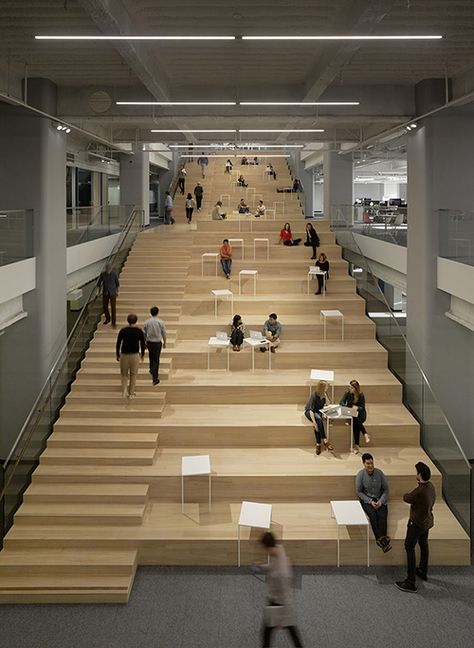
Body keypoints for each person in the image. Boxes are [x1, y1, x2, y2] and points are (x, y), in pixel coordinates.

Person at [252, 532, 304, 648]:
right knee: (289, 630)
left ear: (269, 547)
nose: (265, 552)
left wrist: (282, 616)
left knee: (268, 632)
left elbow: (285, 595)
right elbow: (272, 566)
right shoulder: (279, 549)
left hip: (279, 603)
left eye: (265, 549)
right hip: (276, 600)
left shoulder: (282, 574)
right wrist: (261, 567)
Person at [396, 462, 436, 593]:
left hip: (416, 524)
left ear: (419, 474)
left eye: (416, 472)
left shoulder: (420, 491)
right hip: (427, 522)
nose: (415, 474)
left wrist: (406, 495)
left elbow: (406, 497)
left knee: (409, 547)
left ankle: (410, 581)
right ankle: (423, 571)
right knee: (424, 545)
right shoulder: (430, 487)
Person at [356, 453, 392, 552]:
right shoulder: (360, 475)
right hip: (367, 500)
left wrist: (380, 502)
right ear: (363, 464)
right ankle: (383, 541)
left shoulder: (380, 473)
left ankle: (381, 541)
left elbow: (386, 490)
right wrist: (370, 501)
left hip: (380, 499)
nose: (370, 465)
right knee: (373, 516)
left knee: (382, 517)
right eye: (368, 463)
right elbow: (359, 492)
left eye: (371, 463)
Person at [115, 313, 145, 399]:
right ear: (136, 321)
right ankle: (131, 393)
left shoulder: (123, 330)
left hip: (124, 354)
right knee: (133, 374)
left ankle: (124, 391)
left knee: (124, 374)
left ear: (127, 321)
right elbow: (142, 344)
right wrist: (142, 354)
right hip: (135, 354)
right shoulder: (139, 331)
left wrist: (117, 354)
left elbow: (118, 343)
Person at [339, 380, 370, 454]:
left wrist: (357, 408)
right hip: (350, 413)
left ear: (356, 389)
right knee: (355, 420)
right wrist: (346, 406)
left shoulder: (361, 395)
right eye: (349, 387)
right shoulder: (347, 393)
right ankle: (364, 434)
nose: (349, 388)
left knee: (355, 422)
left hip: (360, 415)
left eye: (351, 387)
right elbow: (341, 402)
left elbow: (362, 408)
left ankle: (357, 445)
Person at [304, 381, 333, 454]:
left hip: (318, 411)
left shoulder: (324, 394)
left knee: (319, 421)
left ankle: (318, 444)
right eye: (326, 386)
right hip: (310, 412)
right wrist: (314, 423)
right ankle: (325, 440)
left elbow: (328, 403)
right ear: (322, 388)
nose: (328, 387)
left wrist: (325, 395)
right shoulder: (314, 395)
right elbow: (311, 410)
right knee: (318, 420)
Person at [143, 306, 167, 385]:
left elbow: (144, 334)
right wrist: (165, 342)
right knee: (156, 359)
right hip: (157, 342)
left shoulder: (147, 322)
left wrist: (144, 343)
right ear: (158, 312)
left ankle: (151, 369)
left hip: (149, 342)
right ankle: (155, 378)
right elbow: (163, 333)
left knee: (151, 355)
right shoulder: (161, 322)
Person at [98, 262, 120, 327]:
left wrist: (117, 291)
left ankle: (113, 322)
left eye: (110, 268)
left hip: (112, 292)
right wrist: (98, 292)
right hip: (105, 292)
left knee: (113, 307)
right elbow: (99, 284)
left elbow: (117, 284)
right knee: (105, 306)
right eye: (108, 268)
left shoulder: (114, 274)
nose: (109, 269)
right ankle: (108, 318)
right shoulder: (102, 274)